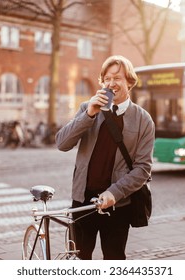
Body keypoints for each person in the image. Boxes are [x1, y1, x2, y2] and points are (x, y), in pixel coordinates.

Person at [55, 55, 155, 260]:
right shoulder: (87, 108)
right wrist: (89, 114)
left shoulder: (143, 119)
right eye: (107, 79)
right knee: (80, 258)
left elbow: (143, 168)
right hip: (83, 201)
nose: (111, 84)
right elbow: (62, 143)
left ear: (129, 81)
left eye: (117, 78)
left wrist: (115, 192)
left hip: (117, 204)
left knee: (114, 257)